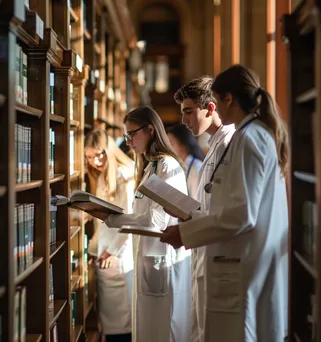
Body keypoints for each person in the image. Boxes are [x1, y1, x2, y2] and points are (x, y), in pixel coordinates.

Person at [161, 64, 289, 342]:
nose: (216, 108)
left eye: (217, 101)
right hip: (237, 259)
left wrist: (186, 233)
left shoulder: (249, 139)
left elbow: (242, 215)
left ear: (227, 99)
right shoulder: (247, 136)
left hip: (245, 263)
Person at [89, 106, 192, 342]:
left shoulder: (167, 166)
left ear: (150, 130)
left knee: (163, 331)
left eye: (131, 135)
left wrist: (112, 218)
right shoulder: (150, 167)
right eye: (126, 136)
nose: (128, 142)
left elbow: (157, 220)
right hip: (149, 267)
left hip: (163, 266)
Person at [171, 75, 235, 341]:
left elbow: (230, 213)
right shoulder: (214, 146)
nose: (184, 121)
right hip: (205, 256)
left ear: (210, 108)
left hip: (221, 262)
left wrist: (187, 231)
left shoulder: (231, 144)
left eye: (188, 112)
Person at [84, 129, 135, 342]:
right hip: (105, 256)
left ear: (110, 151)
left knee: (122, 326)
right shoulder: (102, 175)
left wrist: (111, 252)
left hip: (118, 257)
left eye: (99, 154)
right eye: (89, 157)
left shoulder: (125, 175)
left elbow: (130, 218)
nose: (95, 161)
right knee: (112, 326)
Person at [167, 124, 205, 198]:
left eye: (171, 144)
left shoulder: (196, 168)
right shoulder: (177, 165)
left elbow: (197, 201)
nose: (168, 148)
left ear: (183, 145)